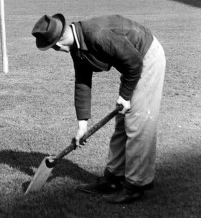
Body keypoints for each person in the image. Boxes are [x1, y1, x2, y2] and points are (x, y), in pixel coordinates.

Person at [31, 13, 165, 204]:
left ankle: (135, 186)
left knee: (137, 121)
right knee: (122, 122)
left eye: (51, 48)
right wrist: (82, 125)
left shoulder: (95, 35)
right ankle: (113, 179)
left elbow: (134, 64)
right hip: (132, 63)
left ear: (58, 45)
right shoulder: (76, 44)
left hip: (146, 57)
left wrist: (125, 97)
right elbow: (82, 82)